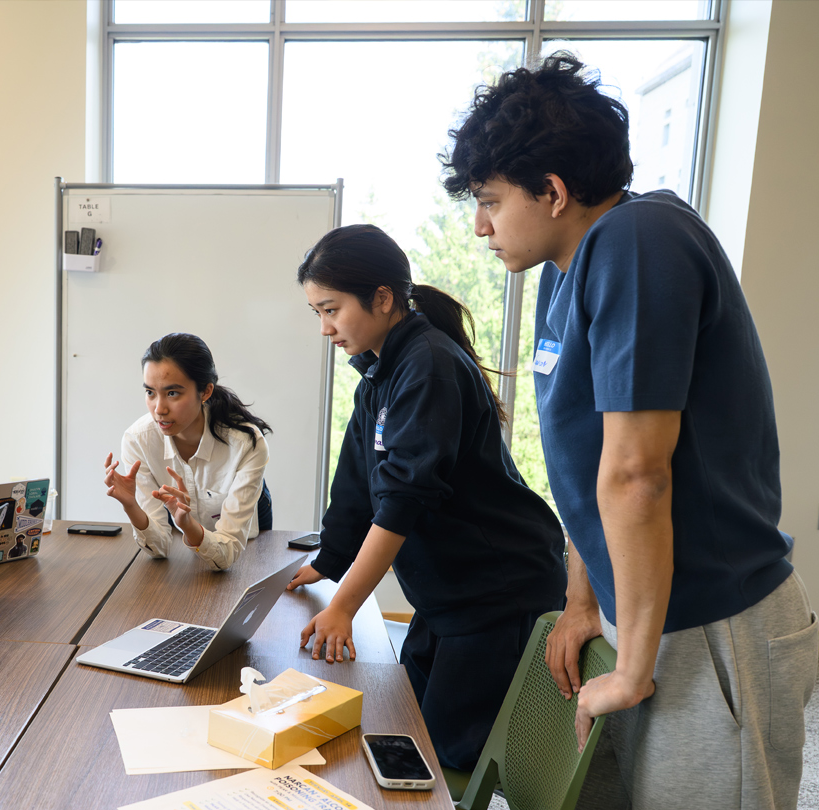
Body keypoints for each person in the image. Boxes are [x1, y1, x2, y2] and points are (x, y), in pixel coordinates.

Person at [440, 53, 817, 810]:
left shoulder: (640, 242)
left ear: (552, 191)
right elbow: (584, 462)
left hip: (713, 623)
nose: (479, 226)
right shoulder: (565, 267)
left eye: (488, 199)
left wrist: (636, 664)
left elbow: (638, 474)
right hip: (638, 609)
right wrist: (584, 602)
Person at [288, 224, 565, 771]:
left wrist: (344, 606)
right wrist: (327, 562)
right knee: (397, 728)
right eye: (316, 313)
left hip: (495, 592)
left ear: (383, 298)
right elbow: (357, 481)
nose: (324, 328)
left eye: (330, 309)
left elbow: (403, 500)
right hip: (449, 595)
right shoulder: (379, 371)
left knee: (438, 761)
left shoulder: (428, 365)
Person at [102, 332, 272, 571]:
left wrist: (188, 526)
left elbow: (227, 553)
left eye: (172, 393)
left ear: (205, 392)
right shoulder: (137, 440)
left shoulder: (246, 443)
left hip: (248, 532)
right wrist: (131, 506)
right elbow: (159, 548)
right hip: (186, 525)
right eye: (150, 392)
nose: (159, 409)